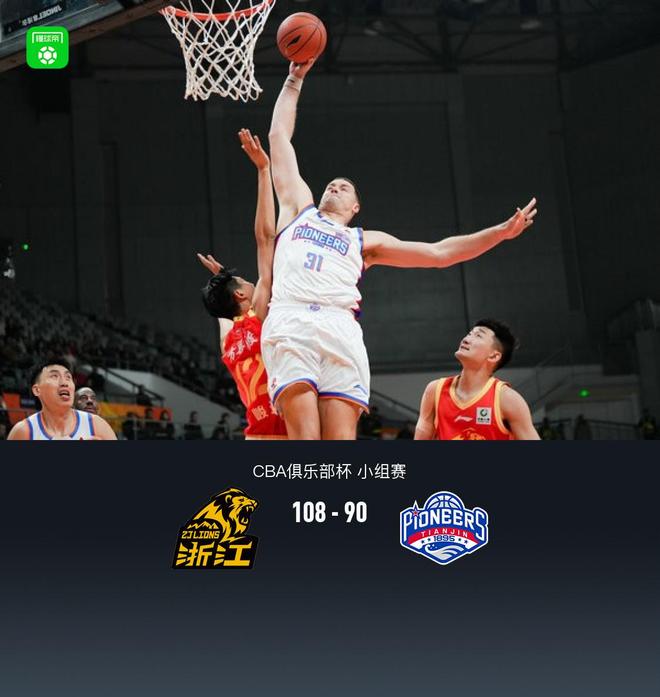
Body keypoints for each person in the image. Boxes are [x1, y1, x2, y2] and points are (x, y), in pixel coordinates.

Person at [265, 59, 538, 440]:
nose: (334, 187)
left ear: (356, 207)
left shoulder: (366, 241)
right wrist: (294, 79)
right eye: (331, 184)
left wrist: (500, 233)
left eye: (344, 187)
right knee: (306, 437)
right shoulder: (299, 209)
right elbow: (279, 136)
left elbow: (440, 253)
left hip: (340, 326)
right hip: (292, 319)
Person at [199, 128, 287, 440]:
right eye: (247, 282)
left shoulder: (228, 340)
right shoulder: (258, 318)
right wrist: (264, 170)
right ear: (240, 294)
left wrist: (222, 277)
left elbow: (223, 312)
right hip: (285, 432)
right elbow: (266, 239)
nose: (253, 282)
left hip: (255, 434)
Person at [415, 320, 539, 440]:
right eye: (469, 334)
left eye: (478, 336)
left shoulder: (507, 399)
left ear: (494, 356)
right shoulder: (435, 390)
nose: (466, 339)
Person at [7, 358, 116, 440]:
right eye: (54, 376)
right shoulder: (23, 431)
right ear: (37, 390)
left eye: (68, 377)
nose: (64, 382)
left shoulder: (96, 425)